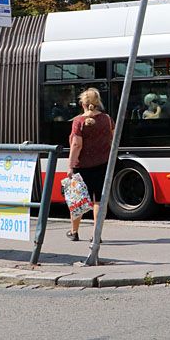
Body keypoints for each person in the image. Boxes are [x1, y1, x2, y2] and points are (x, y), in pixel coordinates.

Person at [66, 88, 114, 241]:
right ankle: (96, 234)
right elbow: (112, 139)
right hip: (103, 165)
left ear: (82, 104)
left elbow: (76, 145)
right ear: (98, 102)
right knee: (98, 200)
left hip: (82, 167)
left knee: (77, 199)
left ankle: (74, 232)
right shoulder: (107, 119)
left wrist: (70, 166)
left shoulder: (78, 121)